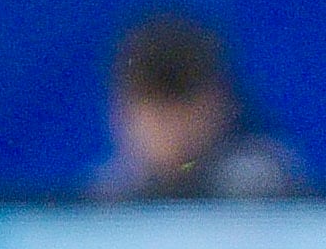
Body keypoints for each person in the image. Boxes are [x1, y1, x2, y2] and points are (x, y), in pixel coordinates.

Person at [87, 13, 300, 201]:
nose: (171, 131)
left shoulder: (258, 186)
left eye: (183, 110)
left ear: (220, 105)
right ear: (121, 113)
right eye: (158, 116)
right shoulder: (113, 194)